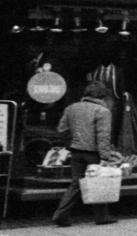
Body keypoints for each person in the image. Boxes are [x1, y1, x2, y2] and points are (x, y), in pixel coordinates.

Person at [49, 81, 124, 227]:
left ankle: (61, 214)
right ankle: (101, 217)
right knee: (99, 181)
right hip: (93, 153)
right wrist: (104, 156)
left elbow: (62, 129)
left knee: (76, 184)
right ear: (102, 97)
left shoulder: (71, 108)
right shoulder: (102, 111)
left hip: (76, 152)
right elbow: (103, 135)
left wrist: (71, 143)